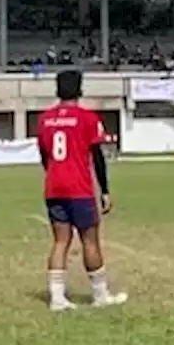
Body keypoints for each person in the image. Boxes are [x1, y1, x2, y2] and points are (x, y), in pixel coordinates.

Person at [36, 69, 128, 311]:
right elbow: (97, 157)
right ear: (80, 89)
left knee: (60, 241)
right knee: (90, 241)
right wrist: (104, 191)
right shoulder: (88, 118)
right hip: (79, 189)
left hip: (54, 188)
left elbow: (44, 155)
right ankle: (100, 295)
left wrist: (54, 175)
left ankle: (57, 299)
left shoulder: (45, 119)